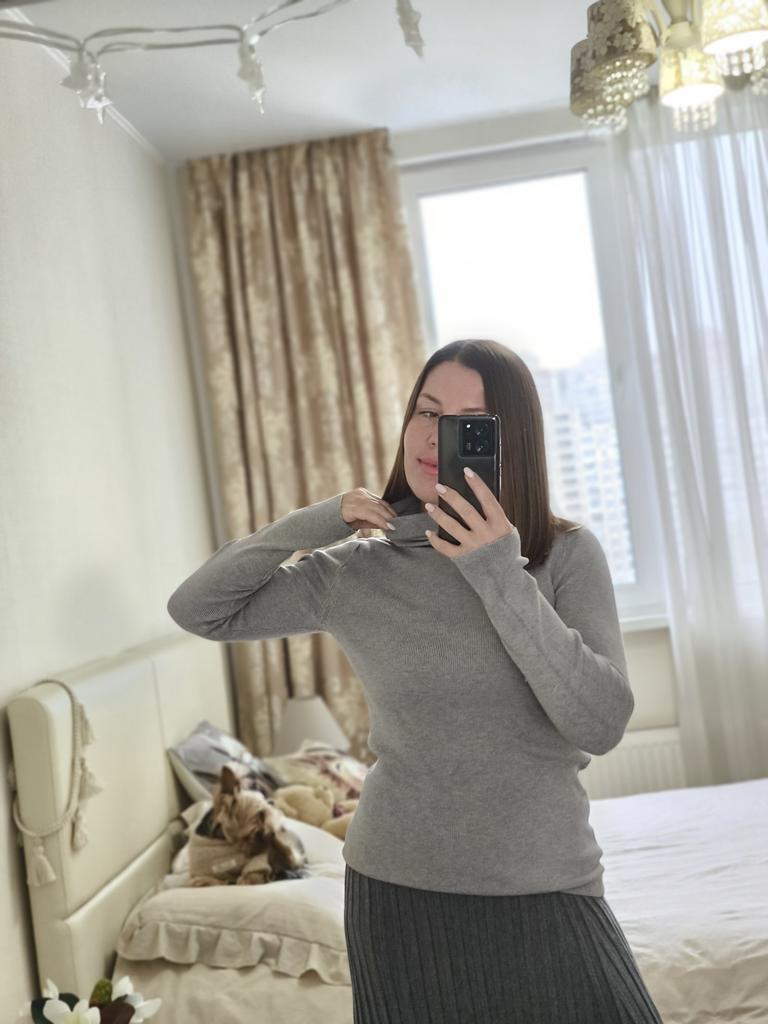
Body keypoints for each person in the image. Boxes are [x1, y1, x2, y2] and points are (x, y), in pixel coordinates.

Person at [167, 338, 666, 1023]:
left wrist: (496, 570)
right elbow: (198, 609)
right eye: (427, 412)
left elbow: (600, 722)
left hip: (549, 885)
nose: (436, 437)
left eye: (468, 424)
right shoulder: (357, 571)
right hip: (398, 896)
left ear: (509, 442)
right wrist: (318, 521)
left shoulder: (563, 555)